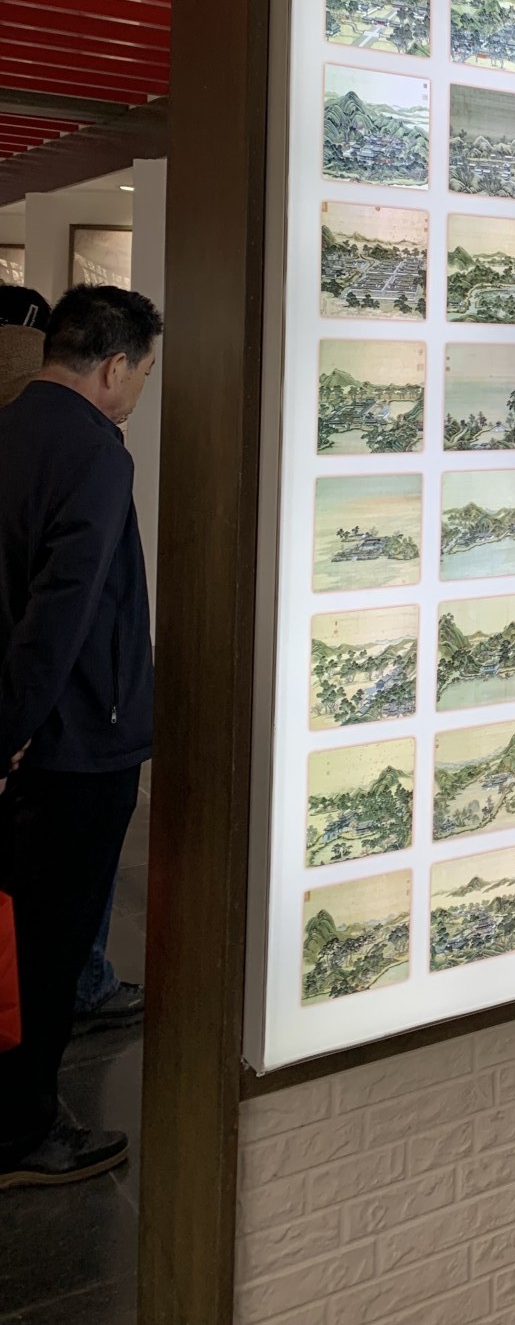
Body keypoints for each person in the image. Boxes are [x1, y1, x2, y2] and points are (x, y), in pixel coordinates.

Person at [0, 285, 163, 1188]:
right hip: (72, 744)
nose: (138, 389)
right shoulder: (96, 454)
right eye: (143, 372)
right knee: (54, 944)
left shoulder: (14, 427)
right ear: (114, 365)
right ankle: (26, 1130)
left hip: (33, 739)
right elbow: (63, 612)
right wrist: (13, 727)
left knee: (24, 936)